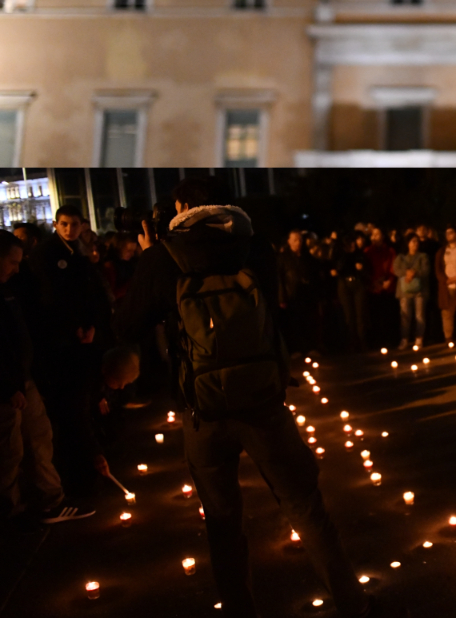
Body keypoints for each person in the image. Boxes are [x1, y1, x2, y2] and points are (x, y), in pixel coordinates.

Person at [117, 178, 371, 617]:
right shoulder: (254, 246)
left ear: (180, 206)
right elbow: (274, 309)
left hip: (205, 411)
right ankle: (354, 606)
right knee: (306, 507)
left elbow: (127, 326)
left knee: (222, 522)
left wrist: (150, 261)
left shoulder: (163, 257)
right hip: (264, 404)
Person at [0, 230, 94, 525]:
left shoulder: (8, 288)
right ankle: (10, 512)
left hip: (23, 378)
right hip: (6, 386)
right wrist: (7, 386)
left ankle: (51, 501)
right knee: (9, 450)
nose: (17, 268)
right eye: (12, 262)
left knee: (39, 437)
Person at [27, 204, 112, 497]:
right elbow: (52, 298)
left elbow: (91, 293)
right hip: (61, 341)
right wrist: (73, 326)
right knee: (70, 405)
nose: (69, 229)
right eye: (64, 224)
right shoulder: (47, 254)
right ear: (55, 224)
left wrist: (92, 325)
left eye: (74, 224)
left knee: (83, 398)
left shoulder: (81, 252)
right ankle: (78, 469)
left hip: (83, 336)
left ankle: (90, 455)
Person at [392, 234, 429, 348]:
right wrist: (406, 273)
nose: (415, 243)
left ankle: (419, 338)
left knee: (420, 315)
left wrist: (414, 273)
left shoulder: (423, 256)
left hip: (420, 291)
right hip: (404, 291)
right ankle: (404, 339)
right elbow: (395, 269)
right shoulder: (401, 257)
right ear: (407, 243)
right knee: (405, 316)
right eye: (413, 241)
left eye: (417, 241)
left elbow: (426, 270)